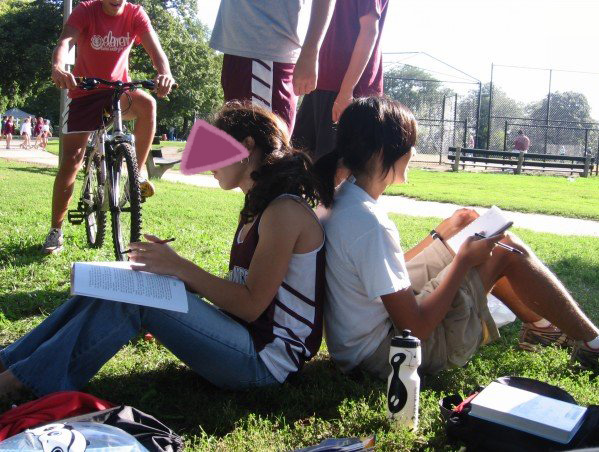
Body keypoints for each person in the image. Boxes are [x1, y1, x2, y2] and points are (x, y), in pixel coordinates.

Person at [0, 102, 326, 398]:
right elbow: (243, 294)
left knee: (136, 299)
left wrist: (180, 268)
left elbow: (251, 306)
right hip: (243, 340)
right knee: (114, 286)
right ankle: (12, 363)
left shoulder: (284, 211)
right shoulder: (257, 206)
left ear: (246, 146)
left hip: (264, 363)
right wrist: (169, 272)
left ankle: (27, 382)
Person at [314, 97, 599, 379]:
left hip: (355, 346)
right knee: (505, 249)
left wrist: (439, 236)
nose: (413, 151)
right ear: (381, 153)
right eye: (408, 144)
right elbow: (415, 328)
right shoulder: (370, 223)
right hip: (385, 355)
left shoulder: (340, 200)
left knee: (477, 240)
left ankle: (542, 329)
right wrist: (464, 260)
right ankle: (594, 343)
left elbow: (380, 273)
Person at [43, 0, 176, 254]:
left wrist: (164, 72)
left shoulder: (135, 14)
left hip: (118, 91)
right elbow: (65, 42)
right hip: (85, 91)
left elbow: (156, 51)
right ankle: (55, 231)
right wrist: (58, 67)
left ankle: (135, 176)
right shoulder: (86, 10)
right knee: (71, 160)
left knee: (148, 104)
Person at [210, 0, 335, 132]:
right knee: (237, 143)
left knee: (265, 147)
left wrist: (311, 52)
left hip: (265, 47)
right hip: (239, 44)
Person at [292, 0, 389, 160]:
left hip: (342, 91)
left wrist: (346, 92)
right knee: (300, 162)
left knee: (335, 170)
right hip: (320, 85)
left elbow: (369, 32)